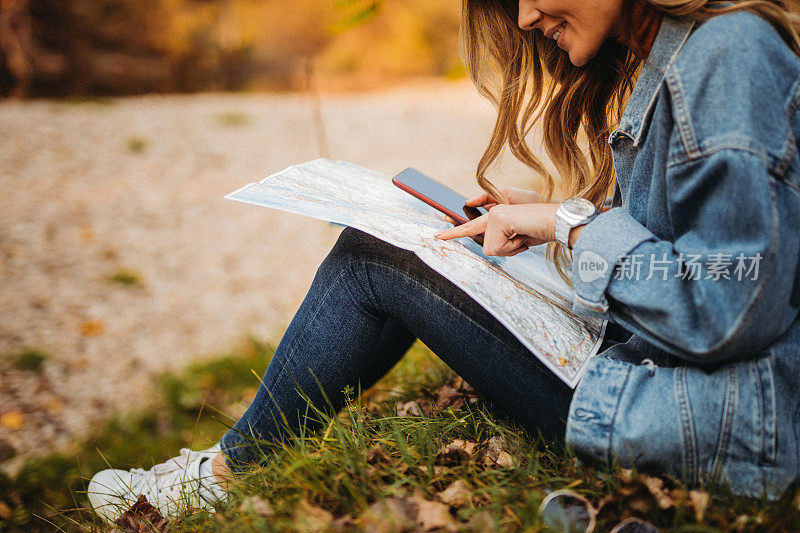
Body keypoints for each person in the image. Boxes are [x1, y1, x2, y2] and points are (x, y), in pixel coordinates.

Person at [88, 0, 800, 521]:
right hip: (667, 381)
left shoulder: (728, 55)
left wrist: (571, 226)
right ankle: (224, 467)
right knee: (397, 238)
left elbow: (731, 303)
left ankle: (219, 476)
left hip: (712, 419)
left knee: (377, 258)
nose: (524, 17)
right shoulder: (685, 54)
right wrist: (555, 229)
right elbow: (697, 250)